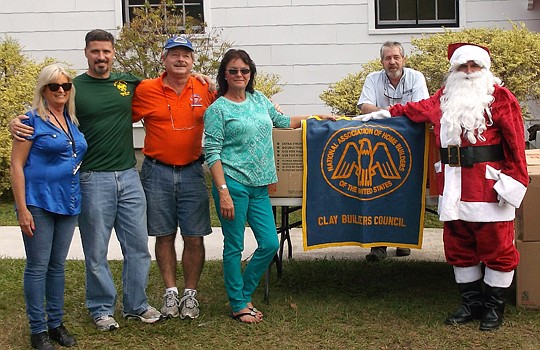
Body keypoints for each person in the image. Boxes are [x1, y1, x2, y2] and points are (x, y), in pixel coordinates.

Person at [363, 43, 528, 331]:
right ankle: (471, 303)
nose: (468, 72)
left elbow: (516, 147)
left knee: (497, 249)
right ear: (453, 70)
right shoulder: (443, 97)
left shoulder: (501, 98)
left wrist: (513, 184)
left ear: (484, 69)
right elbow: (412, 110)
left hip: (488, 188)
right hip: (453, 187)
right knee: (458, 246)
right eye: (462, 67)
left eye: (473, 66)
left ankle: (493, 307)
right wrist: (382, 115)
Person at [11, 29, 162, 331]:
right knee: (96, 251)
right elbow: (43, 112)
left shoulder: (127, 82)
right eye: (95, 51)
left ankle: (136, 304)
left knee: (138, 247)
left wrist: (204, 80)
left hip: (129, 175)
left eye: (106, 51)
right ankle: (102, 308)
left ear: (114, 52)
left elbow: (168, 82)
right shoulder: (72, 88)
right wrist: (15, 121)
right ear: (86, 53)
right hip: (91, 179)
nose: (101, 57)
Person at [203, 49, 335, 324]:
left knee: (269, 243)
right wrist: (223, 192)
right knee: (234, 246)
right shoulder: (217, 109)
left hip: (260, 185)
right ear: (224, 75)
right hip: (233, 184)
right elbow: (212, 152)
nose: (240, 75)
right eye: (233, 71)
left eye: (245, 70)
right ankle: (238, 303)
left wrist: (317, 117)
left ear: (250, 73)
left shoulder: (259, 99)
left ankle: (244, 292)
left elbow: (284, 122)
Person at [131, 36, 215, 319]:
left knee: (194, 236)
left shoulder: (204, 87)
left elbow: (236, 103)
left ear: (193, 61)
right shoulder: (146, 89)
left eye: (186, 55)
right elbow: (115, 114)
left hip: (192, 170)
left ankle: (190, 295)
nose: (181, 59)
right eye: (175, 54)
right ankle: (170, 293)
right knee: (164, 234)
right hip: (156, 171)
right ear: (164, 59)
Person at [11, 64, 87, 349]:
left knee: (57, 267)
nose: (60, 91)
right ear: (43, 89)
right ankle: (38, 329)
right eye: (54, 86)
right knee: (37, 266)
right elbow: (16, 166)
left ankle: (55, 324)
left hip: (68, 202)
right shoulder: (30, 121)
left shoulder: (71, 121)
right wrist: (21, 209)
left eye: (65, 86)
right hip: (38, 202)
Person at [357, 41, 429, 261]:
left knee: (405, 189)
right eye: (388, 58)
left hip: (410, 143)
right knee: (377, 189)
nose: (392, 62)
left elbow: (421, 107)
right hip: (379, 145)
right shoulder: (372, 78)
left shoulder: (416, 77)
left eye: (396, 57)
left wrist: (386, 113)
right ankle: (378, 245)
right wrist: (392, 113)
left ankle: (402, 240)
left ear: (403, 59)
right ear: (382, 62)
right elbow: (364, 106)